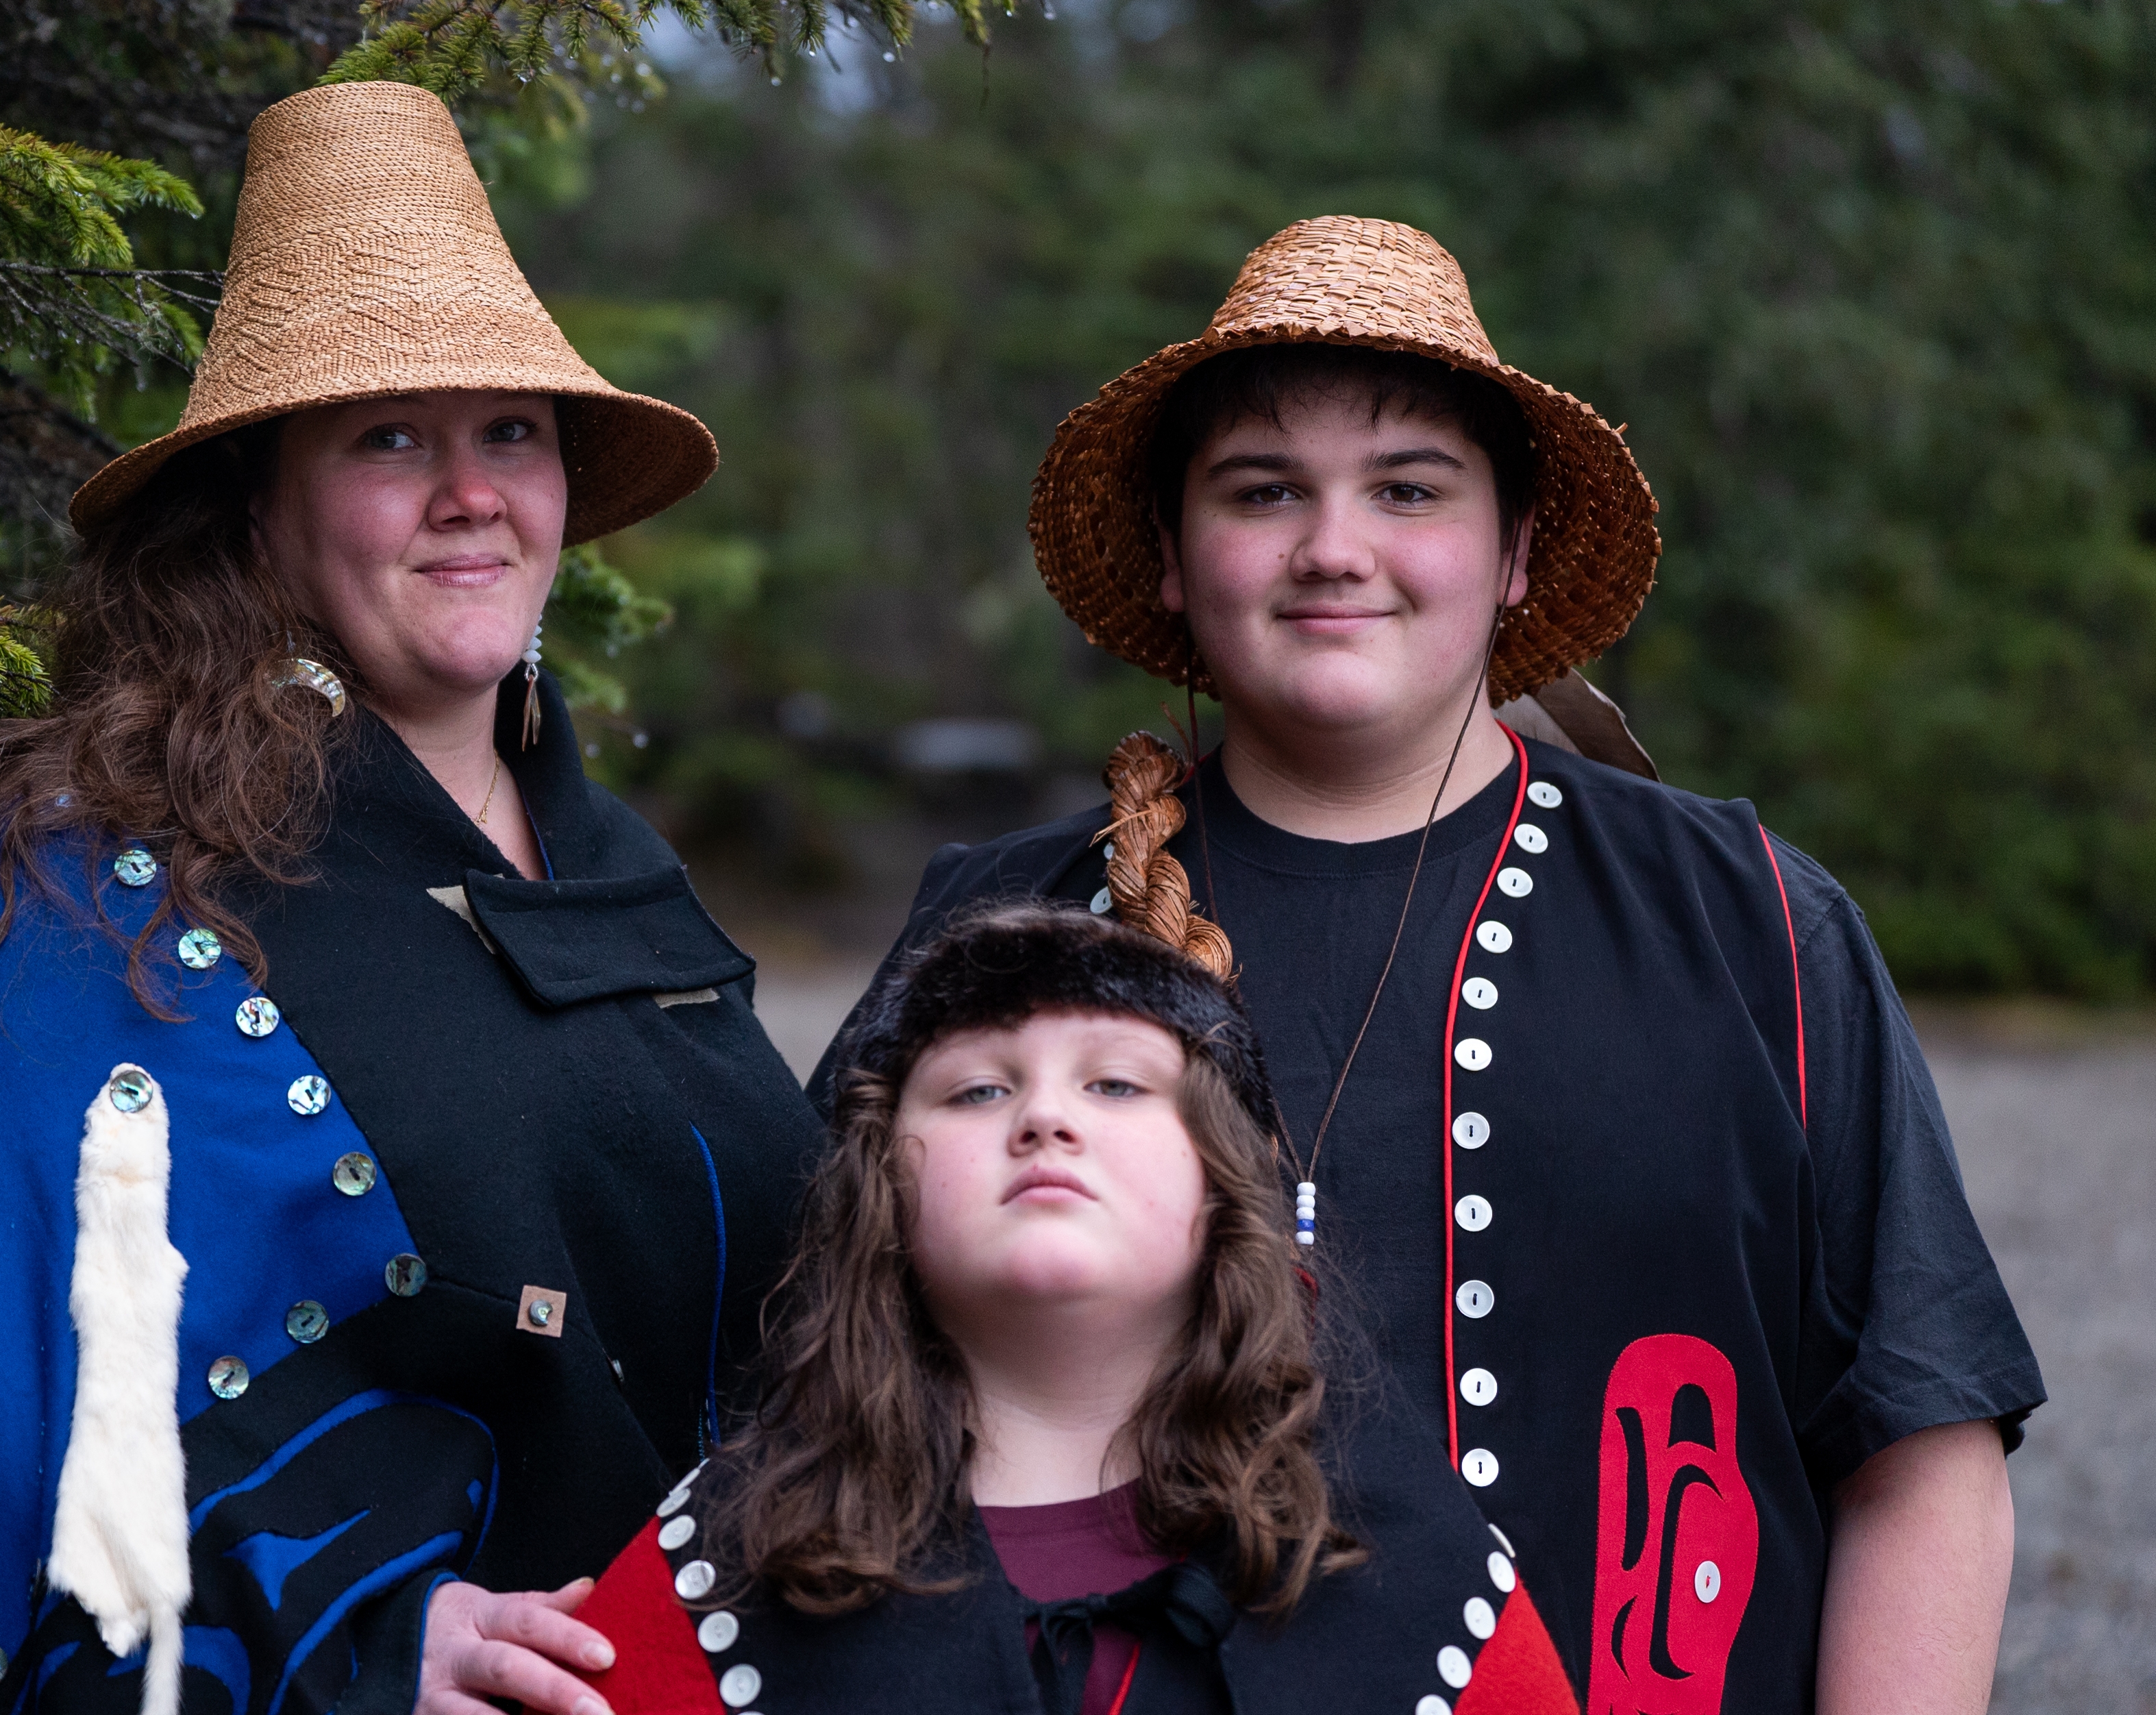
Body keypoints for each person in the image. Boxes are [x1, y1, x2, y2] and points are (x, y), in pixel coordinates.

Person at [815, 217, 2044, 1713]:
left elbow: (1917, 1446)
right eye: (1263, 491)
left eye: (1408, 488)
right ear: (1165, 554)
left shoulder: (1752, 923)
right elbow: (824, 1416)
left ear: (1515, 550)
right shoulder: (1002, 932)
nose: (1334, 548)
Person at [0, 81, 819, 1715]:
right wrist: (349, 1643)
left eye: (508, 431)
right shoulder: (70, 899)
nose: (469, 492)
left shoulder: (618, 870)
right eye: (390, 438)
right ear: (258, 506)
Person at [568, 902, 1579, 1714]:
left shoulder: (1414, 1577)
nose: (1045, 1116)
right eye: (975, 1092)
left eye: (1115, 1084)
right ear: (881, 1187)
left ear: (1226, 1185)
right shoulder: (719, 1581)